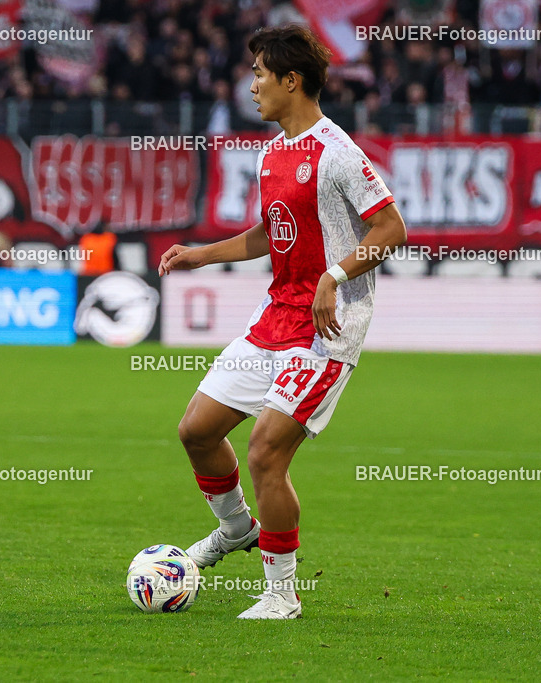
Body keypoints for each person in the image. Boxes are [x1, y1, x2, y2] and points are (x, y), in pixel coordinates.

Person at [158, 25, 407, 619]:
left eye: (260, 75)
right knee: (196, 430)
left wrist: (334, 276)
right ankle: (237, 528)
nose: (253, 87)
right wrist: (202, 252)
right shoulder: (273, 154)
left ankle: (281, 593)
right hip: (276, 314)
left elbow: (392, 228)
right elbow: (272, 235)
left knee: (267, 452)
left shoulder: (337, 152)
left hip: (328, 325)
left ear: (291, 81)